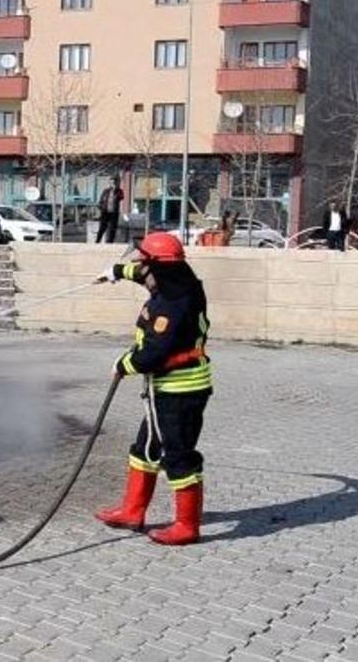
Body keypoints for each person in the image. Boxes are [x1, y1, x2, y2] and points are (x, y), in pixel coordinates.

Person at [94, 232, 212, 545]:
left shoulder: (173, 303)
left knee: (178, 456)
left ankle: (187, 526)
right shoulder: (178, 278)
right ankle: (132, 511)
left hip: (181, 390)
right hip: (165, 389)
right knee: (145, 448)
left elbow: (155, 354)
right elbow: (146, 273)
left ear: (155, 264)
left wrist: (123, 364)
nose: (138, 262)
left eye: (141, 258)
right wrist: (116, 273)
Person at [96, 177, 124, 244]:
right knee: (102, 227)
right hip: (105, 212)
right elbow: (101, 200)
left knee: (112, 228)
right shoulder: (105, 191)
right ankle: (97, 240)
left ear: (116, 183)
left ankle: (110, 242)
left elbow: (121, 197)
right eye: (110, 182)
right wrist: (101, 208)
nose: (112, 184)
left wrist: (115, 190)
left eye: (113, 182)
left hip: (114, 212)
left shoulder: (119, 191)